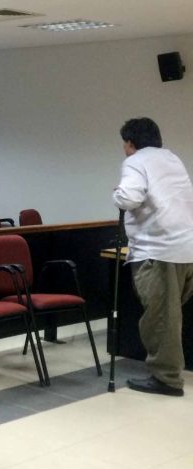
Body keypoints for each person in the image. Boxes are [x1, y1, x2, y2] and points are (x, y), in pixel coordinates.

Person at [112, 117, 193, 397]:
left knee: (161, 319)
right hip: (186, 250)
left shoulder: (136, 161)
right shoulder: (172, 159)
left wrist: (117, 194)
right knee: (170, 315)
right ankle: (168, 372)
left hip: (160, 250)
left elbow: (129, 198)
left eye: (124, 144)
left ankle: (167, 379)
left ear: (130, 143)